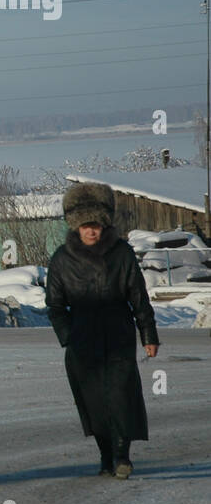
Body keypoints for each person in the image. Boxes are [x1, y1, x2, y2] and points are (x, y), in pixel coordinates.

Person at [45, 182, 159, 479]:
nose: (90, 231)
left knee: (121, 397)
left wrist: (148, 335)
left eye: (95, 224)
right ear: (75, 226)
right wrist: (68, 336)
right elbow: (55, 305)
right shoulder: (61, 259)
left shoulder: (121, 254)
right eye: (85, 225)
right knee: (94, 402)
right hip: (82, 342)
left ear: (104, 223)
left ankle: (122, 456)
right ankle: (105, 456)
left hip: (118, 335)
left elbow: (138, 296)